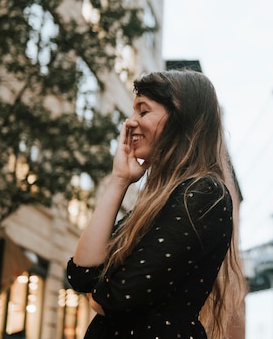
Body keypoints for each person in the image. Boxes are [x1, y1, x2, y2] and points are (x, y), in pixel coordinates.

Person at [66, 70, 244, 339]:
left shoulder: (203, 194)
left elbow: (114, 295)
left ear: (179, 118)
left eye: (143, 111)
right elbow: (81, 274)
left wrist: (103, 290)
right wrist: (119, 180)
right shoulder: (158, 202)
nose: (129, 123)